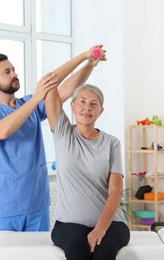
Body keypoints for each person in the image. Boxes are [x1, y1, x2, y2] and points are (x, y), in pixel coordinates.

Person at [0, 45, 106, 232]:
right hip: (5, 206)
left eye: (14, 70)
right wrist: (36, 98)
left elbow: (64, 89)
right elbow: (1, 131)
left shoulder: (28, 104)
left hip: (37, 203)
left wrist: (88, 63)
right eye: (7, 72)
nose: (14, 74)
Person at [44, 71, 130, 258]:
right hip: (68, 224)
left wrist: (100, 229)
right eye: (81, 101)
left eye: (93, 104)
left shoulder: (111, 143)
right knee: (77, 250)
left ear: (101, 111)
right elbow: (50, 85)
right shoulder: (62, 133)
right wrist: (87, 60)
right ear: (72, 106)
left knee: (103, 252)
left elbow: (115, 191)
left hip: (112, 224)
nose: (87, 108)